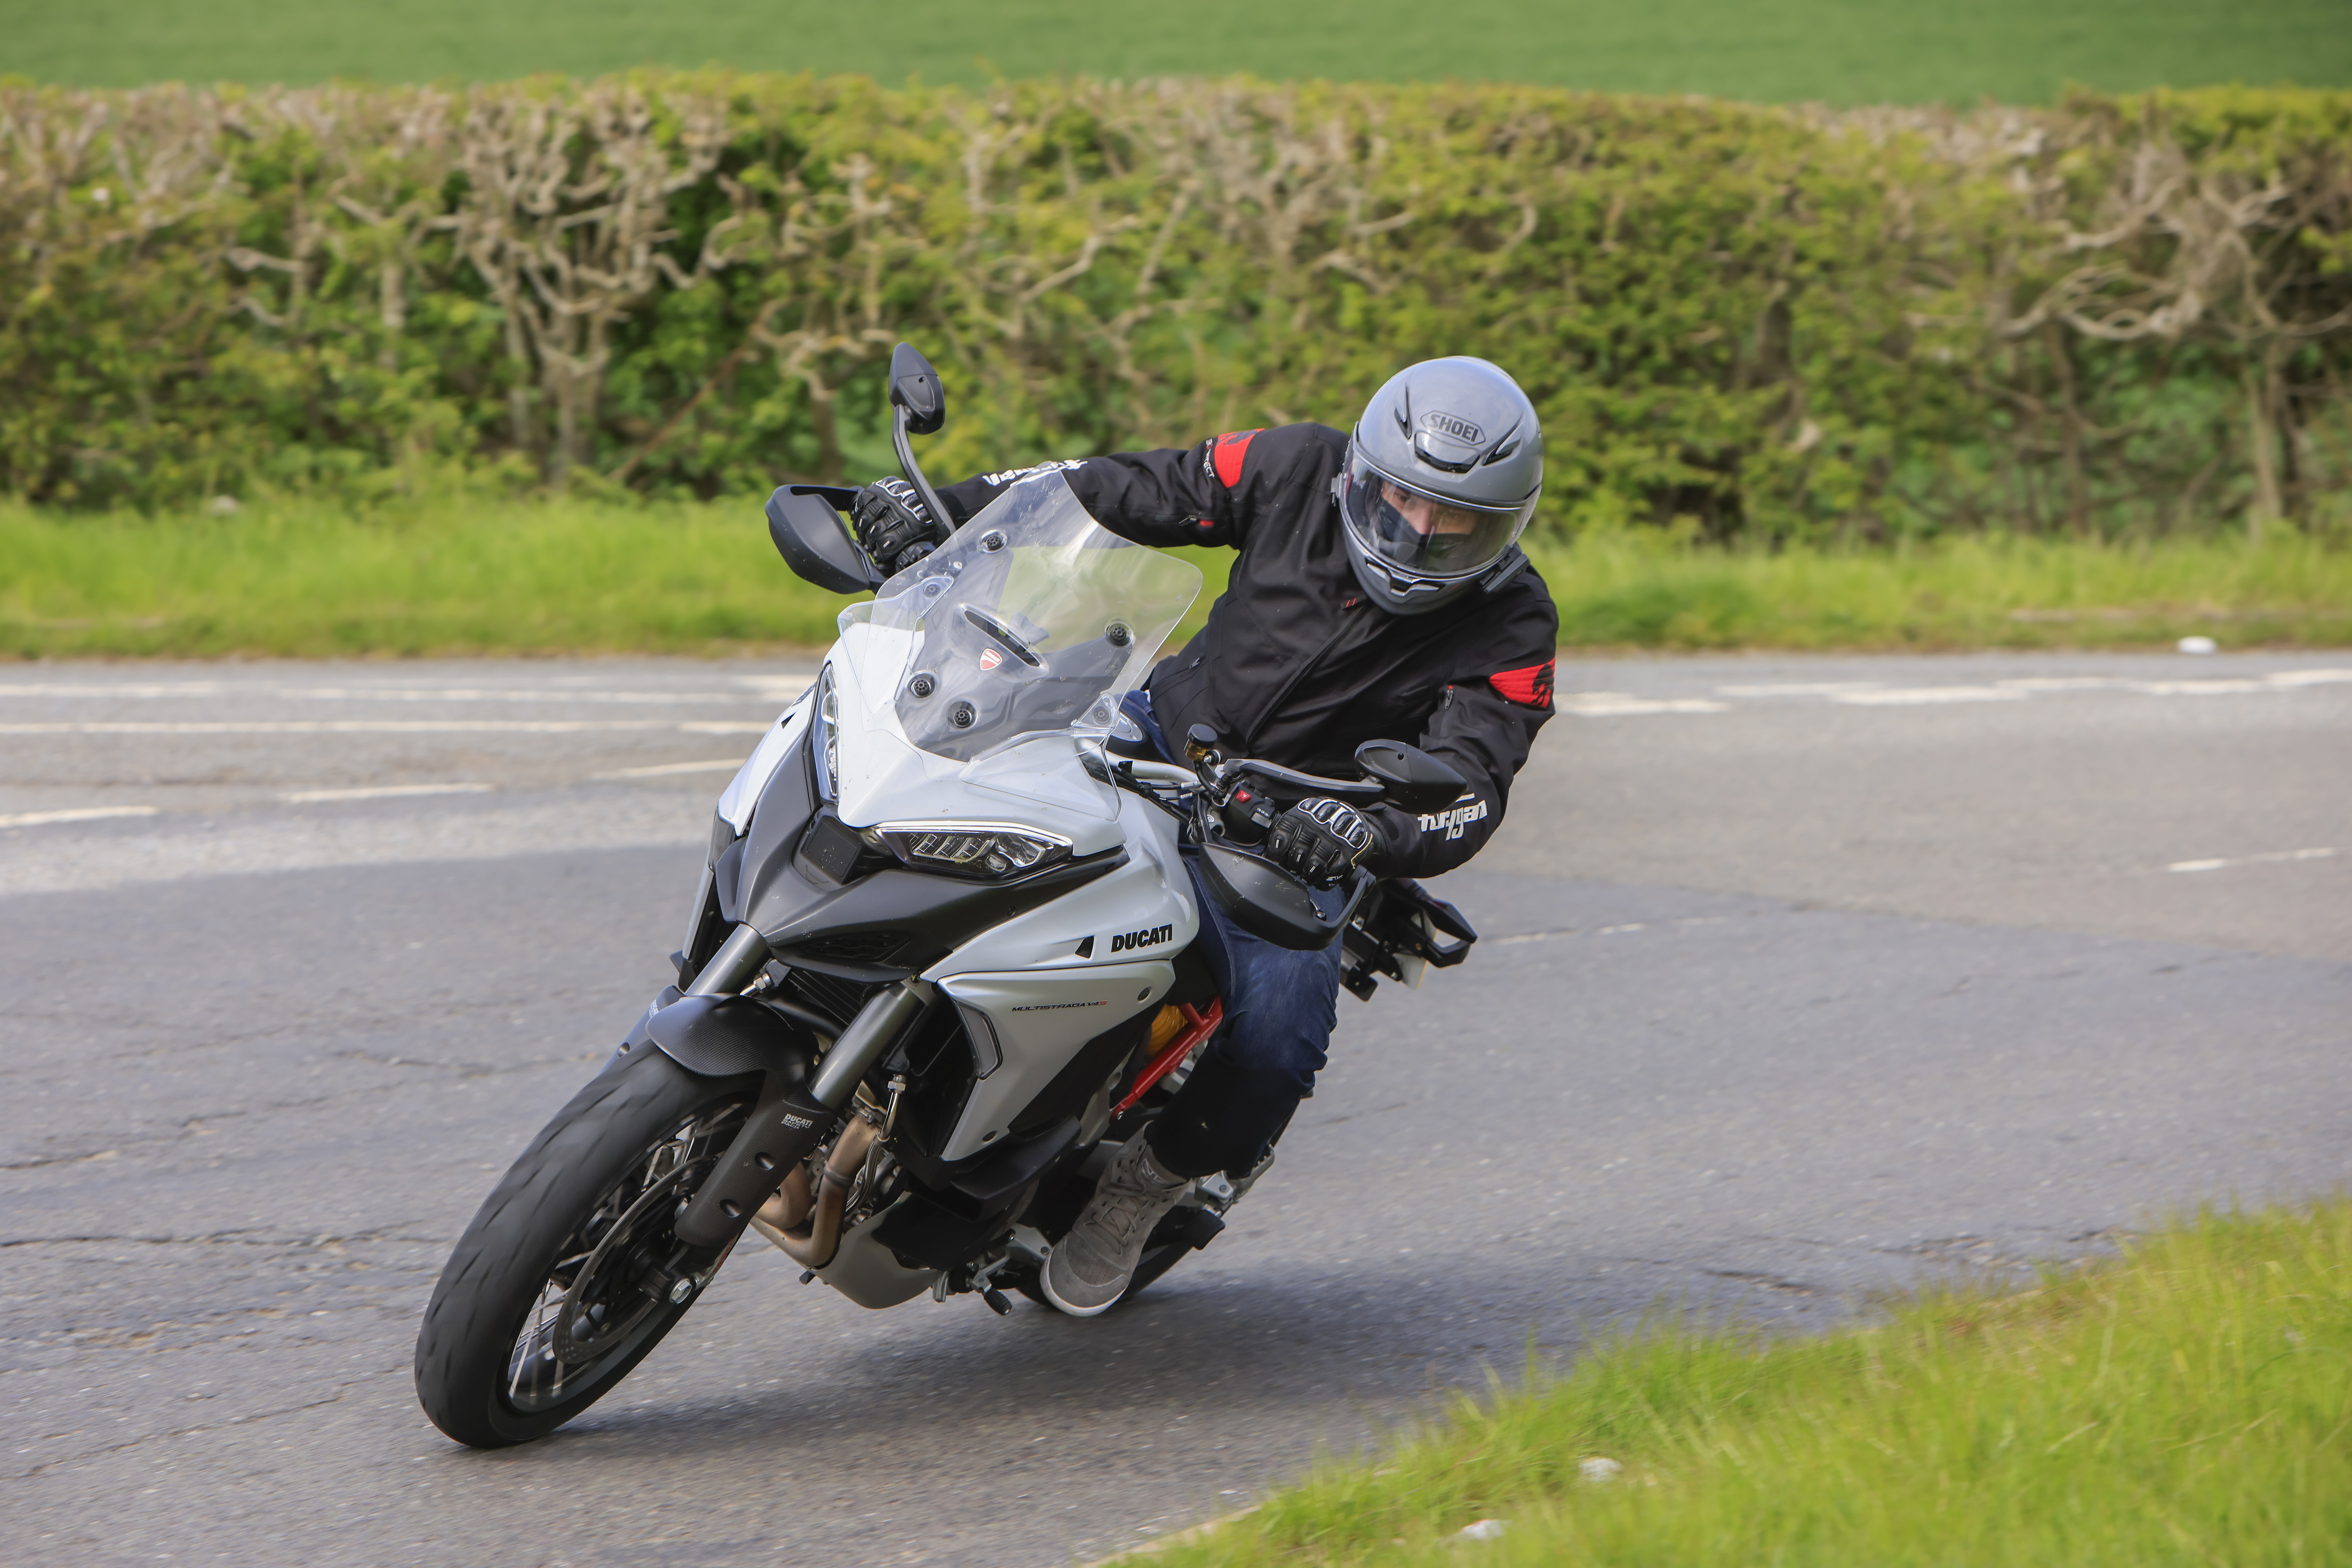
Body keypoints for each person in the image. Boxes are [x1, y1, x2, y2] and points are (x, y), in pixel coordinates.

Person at [850, 357, 1559, 1315]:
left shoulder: (1514, 621)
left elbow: (1472, 787)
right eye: (1403, 500)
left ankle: (1144, 1187)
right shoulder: (1294, 466)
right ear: (1362, 473)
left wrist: (1364, 827)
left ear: (1503, 526)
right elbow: (1119, 488)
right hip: (1149, 740)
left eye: (1456, 521)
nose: (1421, 531)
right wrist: (947, 510)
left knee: (1278, 1045)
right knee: (933, 827)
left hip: (1298, 836)